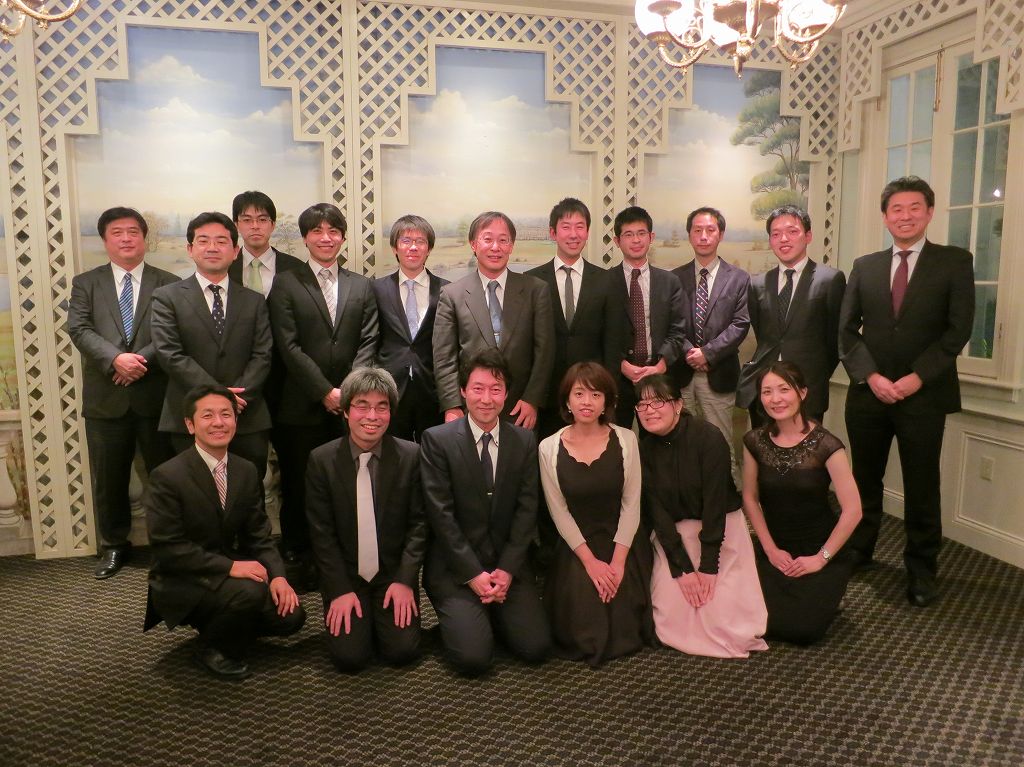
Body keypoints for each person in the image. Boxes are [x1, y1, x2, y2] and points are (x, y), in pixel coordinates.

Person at [840, 176, 975, 607]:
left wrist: (918, 376)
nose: (905, 216)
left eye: (914, 207)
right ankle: (860, 550)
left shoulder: (954, 262)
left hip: (924, 395)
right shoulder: (865, 266)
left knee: (922, 484)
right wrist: (872, 377)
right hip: (869, 394)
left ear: (929, 212)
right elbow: (846, 331)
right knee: (865, 479)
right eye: (896, 209)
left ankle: (921, 569)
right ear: (885, 217)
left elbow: (957, 331)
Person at [143, 384, 305, 680]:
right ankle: (211, 648)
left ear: (235, 420)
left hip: (227, 566)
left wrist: (279, 576)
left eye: (226, 414)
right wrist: (231, 567)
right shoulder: (167, 476)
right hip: (182, 576)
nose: (218, 422)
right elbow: (169, 549)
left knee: (291, 617)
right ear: (190, 425)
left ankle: (228, 623)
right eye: (208, 416)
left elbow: (259, 534)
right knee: (250, 591)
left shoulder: (245, 470)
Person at [420, 349, 551, 675]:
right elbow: (441, 517)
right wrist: (473, 574)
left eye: (496, 389)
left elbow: (526, 511)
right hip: (457, 569)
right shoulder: (437, 441)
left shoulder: (523, 441)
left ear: (506, 394)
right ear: (463, 391)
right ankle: (468, 618)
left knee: (536, 647)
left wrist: (506, 570)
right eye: (477, 389)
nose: (486, 399)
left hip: (506, 566)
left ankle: (489, 613)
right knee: (473, 659)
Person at [267, 203, 378, 583]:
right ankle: (298, 553)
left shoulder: (361, 285)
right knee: (298, 483)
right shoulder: (286, 283)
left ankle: (343, 553)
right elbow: (288, 346)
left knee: (346, 483)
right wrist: (324, 391)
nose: (325, 238)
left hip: (350, 407)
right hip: (300, 405)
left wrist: (348, 393)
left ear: (343, 237)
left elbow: (369, 341)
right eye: (317, 231)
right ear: (305, 238)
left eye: (333, 231)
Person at [68, 207, 179, 579]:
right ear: (105, 240)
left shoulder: (169, 283)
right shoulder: (86, 283)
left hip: (155, 397)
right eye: (117, 232)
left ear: (145, 238)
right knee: (109, 477)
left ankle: (169, 546)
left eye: (133, 231)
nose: (126, 238)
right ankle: (114, 545)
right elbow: (79, 328)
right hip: (106, 398)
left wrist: (137, 361)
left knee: (164, 476)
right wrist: (115, 359)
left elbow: (170, 333)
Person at [636, 374, 767, 658]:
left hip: (720, 529)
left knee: (724, 621)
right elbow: (656, 511)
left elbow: (715, 504)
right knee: (670, 616)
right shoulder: (643, 449)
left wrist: (708, 566)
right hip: (674, 535)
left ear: (678, 405)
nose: (649, 410)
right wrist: (681, 568)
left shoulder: (708, 437)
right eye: (642, 405)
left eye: (658, 402)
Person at [305, 367, 426, 672]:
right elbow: (322, 534)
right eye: (362, 405)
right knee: (350, 658)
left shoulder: (411, 456)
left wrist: (405, 580)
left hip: (391, 573)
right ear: (346, 411)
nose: (372, 416)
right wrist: (338, 588)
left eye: (381, 407)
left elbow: (419, 524)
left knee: (402, 652)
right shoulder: (321, 460)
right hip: (347, 573)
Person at [538, 362, 653, 666]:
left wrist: (617, 562)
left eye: (595, 394)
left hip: (622, 541)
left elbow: (632, 504)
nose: (586, 402)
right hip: (577, 544)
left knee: (623, 618)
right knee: (583, 623)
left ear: (607, 402)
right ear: (567, 400)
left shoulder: (627, 440)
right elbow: (558, 512)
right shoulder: (548, 447)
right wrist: (590, 563)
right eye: (579, 394)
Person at [742, 362, 862, 644]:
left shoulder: (827, 445)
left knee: (802, 631)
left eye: (784, 389)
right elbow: (750, 497)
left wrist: (821, 559)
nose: (775, 399)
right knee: (754, 620)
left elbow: (853, 510)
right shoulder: (754, 441)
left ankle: (829, 592)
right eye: (767, 392)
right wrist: (770, 549)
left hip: (818, 549)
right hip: (774, 547)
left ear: (802, 393)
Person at [151, 212, 272, 478]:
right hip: (190, 416)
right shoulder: (167, 297)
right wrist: (219, 397)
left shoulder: (254, 300)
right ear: (190, 249)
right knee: (194, 494)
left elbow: (263, 354)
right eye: (203, 241)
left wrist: (236, 399)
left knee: (248, 492)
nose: (212, 247)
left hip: (247, 415)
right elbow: (170, 353)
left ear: (235, 251)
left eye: (221, 241)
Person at [432, 211, 554, 430]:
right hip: (469, 409)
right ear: (473, 244)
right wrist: (452, 405)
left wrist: (532, 399)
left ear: (511, 245)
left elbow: (544, 351)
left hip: (521, 409)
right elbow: (444, 357)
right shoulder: (452, 294)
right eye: (488, 239)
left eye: (503, 240)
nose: (495, 247)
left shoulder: (536, 290)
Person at [736, 206, 846, 427]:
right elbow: (765, 335)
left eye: (792, 232)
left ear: (808, 236)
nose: (783, 239)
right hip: (765, 390)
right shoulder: (758, 283)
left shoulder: (830, 279)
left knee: (805, 448)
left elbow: (836, 339)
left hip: (808, 387)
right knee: (763, 446)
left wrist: (816, 373)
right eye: (776, 234)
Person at [672, 207, 750, 482]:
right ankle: (689, 497)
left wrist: (707, 353)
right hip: (681, 374)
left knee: (720, 441)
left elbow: (740, 324)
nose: (703, 236)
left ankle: (728, 498)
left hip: (719, 372)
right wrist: (689, 353)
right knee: (682, 442)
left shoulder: (739, 278)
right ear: (689, 235)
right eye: (697, 230)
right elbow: (671, 323)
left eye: (710, 230)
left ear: (721, 234)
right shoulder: (675, 278)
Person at [526, 198, 614, 439]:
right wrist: (530, 396)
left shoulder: (606, 280)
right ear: (553, 233)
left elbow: (612, 341)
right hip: (546, 396)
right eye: (566, 227)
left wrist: (608, 394)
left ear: (587, 232)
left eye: (580, 226)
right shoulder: (532, 281)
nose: (573, 234)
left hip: (592, 394)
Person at [606, 206, 686, 428]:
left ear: (651, 237)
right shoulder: (604, 282)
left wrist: (660, 365)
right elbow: (599, 333)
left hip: (659, 376)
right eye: (628, 234)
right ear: (617, 241)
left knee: (658, 440)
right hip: (618, 379)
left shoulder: (669, 282)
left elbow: (678, 330)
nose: (636, 240)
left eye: (641, 233)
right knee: (616, 438)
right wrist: (622, 365)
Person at [372, 215, 449, 442]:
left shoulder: (447, 291)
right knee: (393, 453)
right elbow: (370, 340)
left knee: (434, 453)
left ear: (429, 248)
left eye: (420, 241)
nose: (413, 247)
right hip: (390, 390)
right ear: (395, 247)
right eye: (406, 241)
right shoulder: (376, 289)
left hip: (433, 390)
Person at [229, 190, 304, 296]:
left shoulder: (297, 268)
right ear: (236, 225)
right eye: (247, 220)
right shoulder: (226, 267)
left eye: (262, 220)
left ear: (273, 224)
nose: (255, 226)